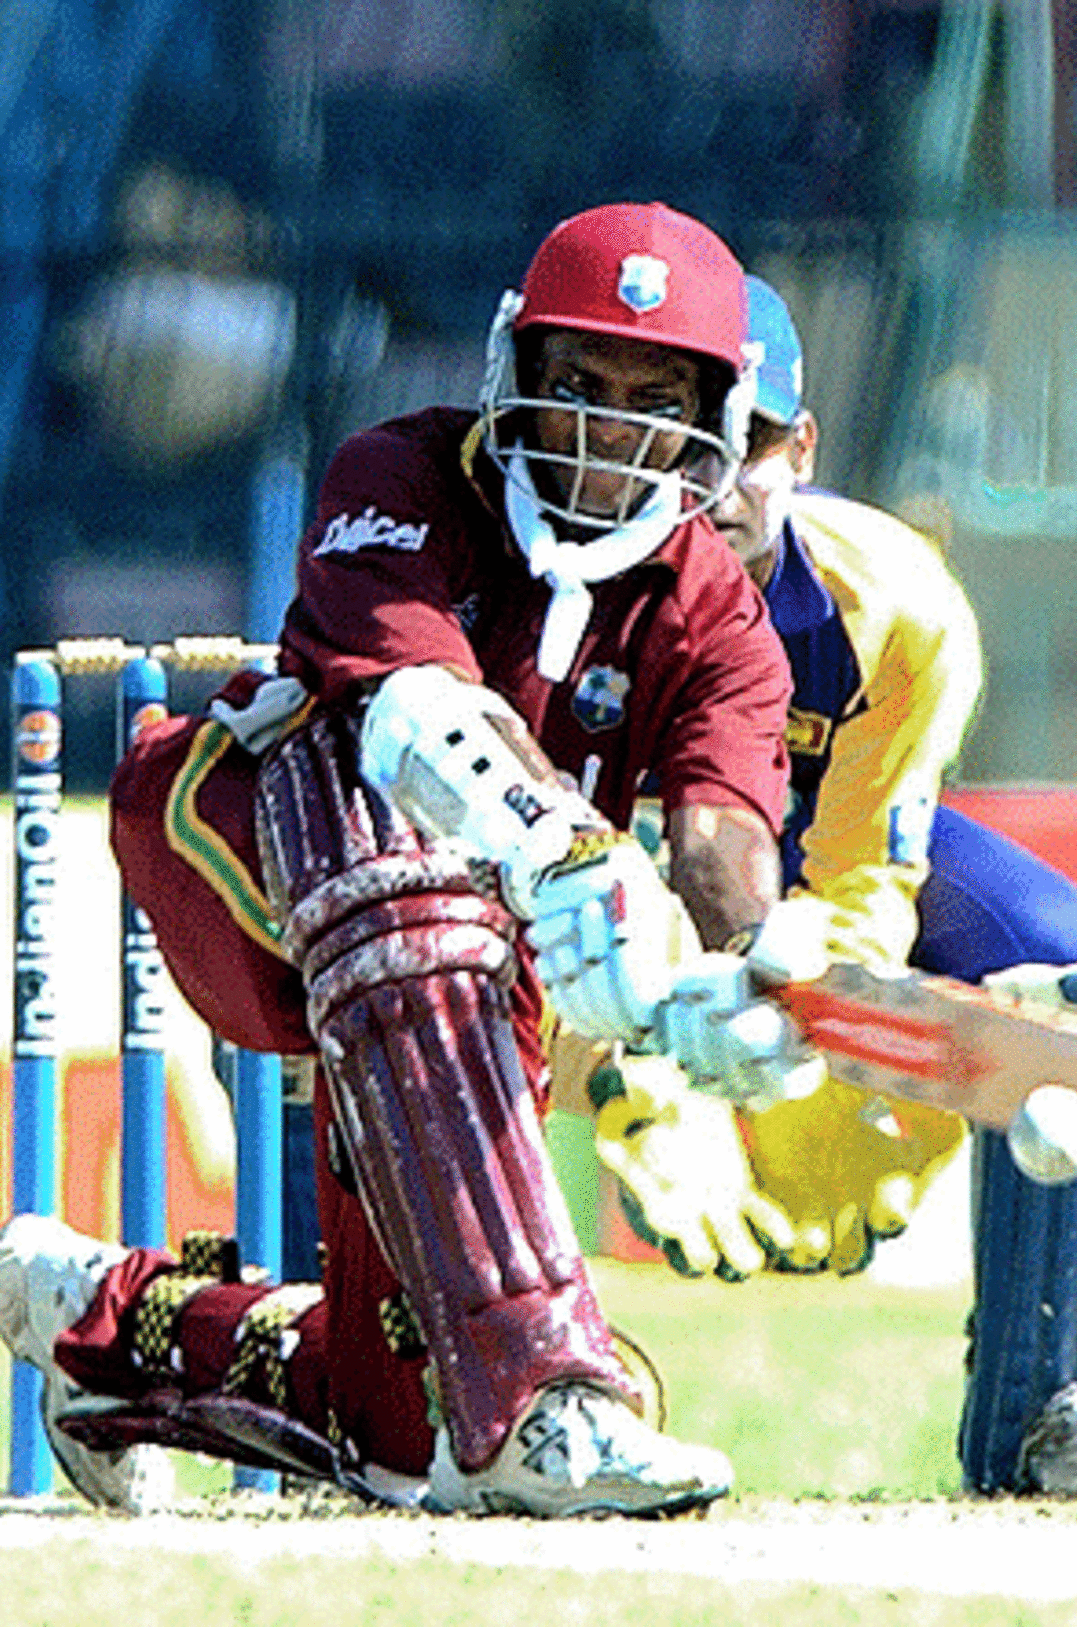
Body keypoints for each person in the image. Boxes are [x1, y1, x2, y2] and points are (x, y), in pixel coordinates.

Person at [0, 202, 796, 1518]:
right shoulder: (405, 472)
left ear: (711, 416)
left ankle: (101, 1321)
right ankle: (548, 1393)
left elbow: (722, 837)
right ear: (517, 369)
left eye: (650, 399)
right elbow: (419, 711)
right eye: (578, 384)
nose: (605, 430)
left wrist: (748, 975)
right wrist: (573, 854)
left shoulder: (720, 610)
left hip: (473, 987)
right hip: (244, 839)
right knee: (418, 870)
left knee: (401, 1430)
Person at [589, 275, 1077, 1499]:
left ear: (800, 448)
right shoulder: (583, 575)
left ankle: (1056, 1402)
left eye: (750, 445)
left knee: (1066, 962)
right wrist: (645, 1056)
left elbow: (864, 870)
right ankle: (434, 1376)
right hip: (617, 865)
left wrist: (811, 1040)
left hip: (806, 865)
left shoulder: (899, 605)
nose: (718, 483)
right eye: (690, 444)